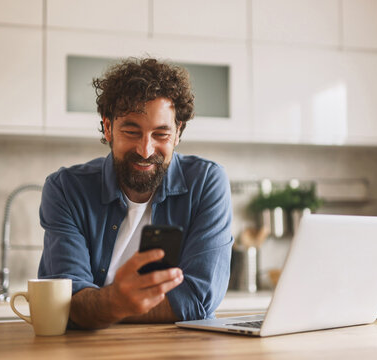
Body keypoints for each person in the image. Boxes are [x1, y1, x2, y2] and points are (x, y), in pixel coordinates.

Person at [38, 57, 233, 329]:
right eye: (131, 131)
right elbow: (66, 299)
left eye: (161, 134)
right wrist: (109, 302)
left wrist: (107, 305)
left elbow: (197, 301)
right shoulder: (66, 189)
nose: (145, 150)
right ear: (108, 128)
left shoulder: (206, 182)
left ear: (178, 132)